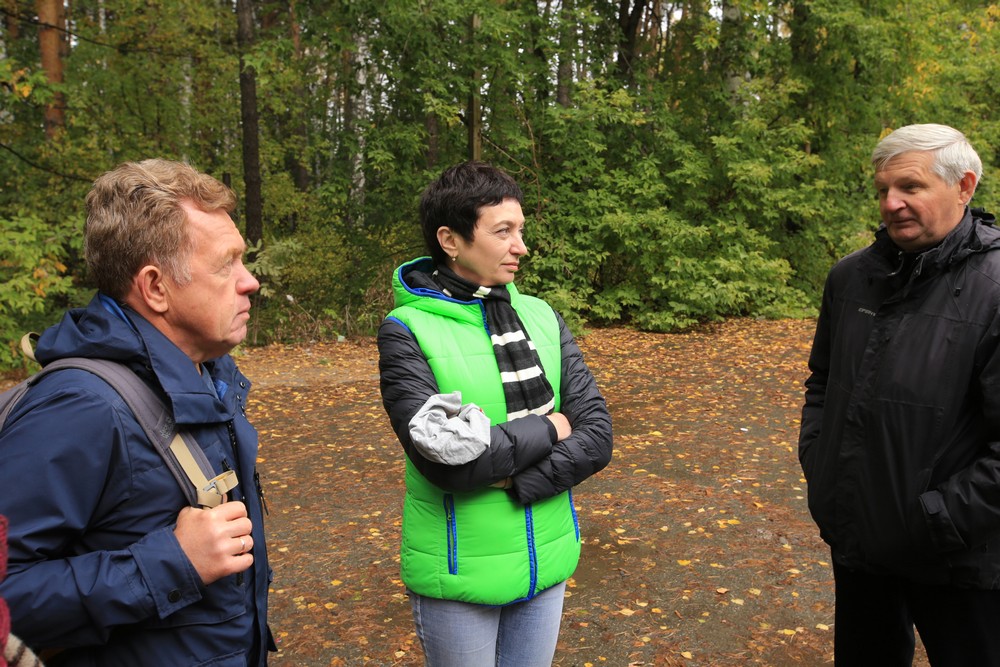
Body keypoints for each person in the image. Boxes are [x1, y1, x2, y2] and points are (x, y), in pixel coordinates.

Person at [0, 159, 273, 665]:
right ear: (155, 287)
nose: (249, 281)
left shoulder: (205, 374)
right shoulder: (81, 406)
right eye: (225, 264)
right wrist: (170, 563)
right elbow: (6, 594)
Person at [377, 161, 613, 666]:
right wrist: (552, 425)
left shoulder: (542, 316)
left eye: (520, 230)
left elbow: (597, 434)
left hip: (546, 560)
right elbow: (446, 462)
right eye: (503, 231)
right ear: (451, 239)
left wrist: (516, 482)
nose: (520, 246)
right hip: (459, 575)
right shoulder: (407, 330)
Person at [799, 124, 1000, 666]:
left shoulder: (994, 289)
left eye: (910, 187)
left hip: (958, 555)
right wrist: (822, 471)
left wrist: (937, 521)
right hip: (860, 543)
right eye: (883, 189)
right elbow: (822, 384)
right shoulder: (850, 279)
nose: (892, 203)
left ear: (964, 186)